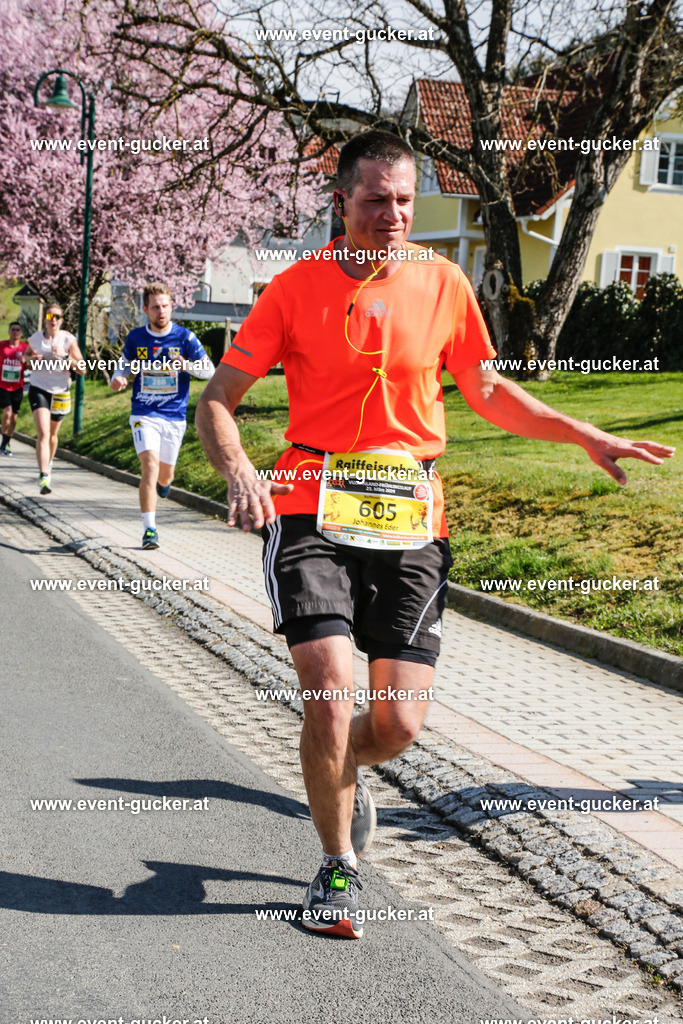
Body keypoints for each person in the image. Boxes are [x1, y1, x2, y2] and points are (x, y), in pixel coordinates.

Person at [195, 130, 675, 939]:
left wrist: (579, 432)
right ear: (341, 200)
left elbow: (487, 392)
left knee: (396, 726)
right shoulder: (293, 288)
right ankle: (336, 867)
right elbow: (218, 399)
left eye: (405, 200)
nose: (392, 214)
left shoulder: (443, 280)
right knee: (327, 686)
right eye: (375, 198)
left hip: (412, 516)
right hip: (311, 504)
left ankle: (338, 767)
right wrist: (240, 468)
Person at [111, 282, 215, 550]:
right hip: (144, 413)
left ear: (172, 307)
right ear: (146, 309)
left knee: (165, 477)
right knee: (150, 465)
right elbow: (123, 365)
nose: (161, 311)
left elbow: (210, 371)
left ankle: (163, 487)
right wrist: (118, 377)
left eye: (165, 306)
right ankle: (149, 530)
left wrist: (188, 366)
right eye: (155, 307)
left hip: (174, 417)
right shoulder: (136, 338)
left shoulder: (185, 338)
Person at [26, 305, 85, 493]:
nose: (53, 320)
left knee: (52, 435)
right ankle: (43, 476)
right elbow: (26, 358)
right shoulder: (35, 339)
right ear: (45, 318)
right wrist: (31, 359)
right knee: (43, 432)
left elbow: (82, 368)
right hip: (38, 388)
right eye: (50, 316)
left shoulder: (68, 339)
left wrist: (65, 356)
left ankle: (48, 464)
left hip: (60, 391)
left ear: (61, 320)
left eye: (57, 317)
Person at [0, 321, 29, 456]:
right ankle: (3, 440)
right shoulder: (2, 346)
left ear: (21, 333)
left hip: (18, 387)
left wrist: (25, 360)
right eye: (13, 329)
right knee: (7, 413)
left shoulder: (25, 347)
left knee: (13, 419)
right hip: (3, 385)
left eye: (18, 330)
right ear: (9, 331)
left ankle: (6, 442)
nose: (15, 332)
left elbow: (32, 363)